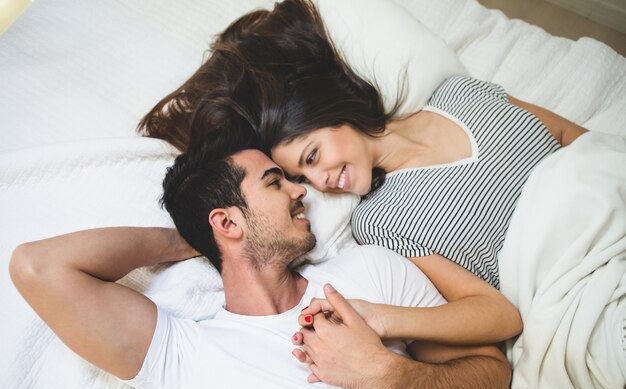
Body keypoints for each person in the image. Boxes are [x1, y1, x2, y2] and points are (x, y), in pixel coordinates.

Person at [138, 0, 533, 352]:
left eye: (312, 156)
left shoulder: (456, 96)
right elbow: (497, 314)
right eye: (303, 176)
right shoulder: (379, 222)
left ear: (332, 112)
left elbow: (571, 139)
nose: (317, 183)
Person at [10, 146, 514, 389]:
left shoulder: (368, 271)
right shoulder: (185, 356)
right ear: (227, 222)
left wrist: (388, 374)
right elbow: (38, 267)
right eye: (276, 182)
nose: (301, 191)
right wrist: (185, 241)